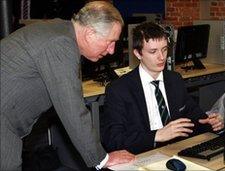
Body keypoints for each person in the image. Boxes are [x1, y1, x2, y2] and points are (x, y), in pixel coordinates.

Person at [0, 1, 135, 170]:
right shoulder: (61, 43)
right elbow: (72, 109)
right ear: (90, 33)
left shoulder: (59, 30)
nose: (112, 50)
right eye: (110, 41)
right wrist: (102, 159)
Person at [100, 22, 224, 154]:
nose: (161, 57)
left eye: (164, 49)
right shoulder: (119, 89)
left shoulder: (174, 79)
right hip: (143, 154)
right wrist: (156, 136)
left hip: (176, 150)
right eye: (153, 51)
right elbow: (113, 140)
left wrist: (211, 122)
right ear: (138, 53)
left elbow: (194, 118)